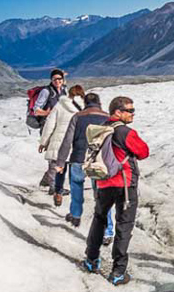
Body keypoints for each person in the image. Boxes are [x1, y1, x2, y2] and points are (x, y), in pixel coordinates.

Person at [81, 97, 150, 286]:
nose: (133, 113)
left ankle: (91, 260)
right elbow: (144, 152)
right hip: (125, 185)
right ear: (117, 112)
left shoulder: (101, 128)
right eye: (129, 110)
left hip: (103, 183)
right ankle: (118, 272)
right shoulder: (125, 132)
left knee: (99, 219)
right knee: (124, 226)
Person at [56, 93, 116, 246]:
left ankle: (75, 215)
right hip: (99, 162)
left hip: (78, 158)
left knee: (76, 186)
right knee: (102, 197)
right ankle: (107, 232)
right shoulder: (108, 118)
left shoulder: (77, 117)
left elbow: (68, 140)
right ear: (99, 103)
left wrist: (61, 161)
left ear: (85, 103)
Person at [39, 85, 84, 205]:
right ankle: (64, 190)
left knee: (55, 164)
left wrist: (44, 142)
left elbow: (49, 125)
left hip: (58, 140)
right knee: (72, 167)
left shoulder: (59, 106)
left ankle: (55, 189)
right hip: (74, 143)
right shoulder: (83, 109)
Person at [36, 69, 67, 189]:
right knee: (54, 156)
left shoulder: (64, 90)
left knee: (57, 154)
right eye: (55, 79)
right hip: (47, 126)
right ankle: (54, 187)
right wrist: (46, 113)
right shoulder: (46, 91)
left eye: (60, 79)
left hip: (60, 127)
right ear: (51, 80)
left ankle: (46, 180)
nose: (58, 81)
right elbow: (36, 109)